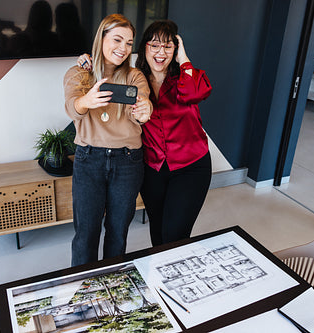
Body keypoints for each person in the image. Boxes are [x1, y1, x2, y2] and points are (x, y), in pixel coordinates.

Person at [77, 20, 212, 247]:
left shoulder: (186, 78)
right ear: (144, 48)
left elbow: (195, 93)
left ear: (175, 50)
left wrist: (184, 59)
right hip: (153, 169)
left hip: (190, 167)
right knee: (158, 234)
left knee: (174, 235)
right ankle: (161, 279)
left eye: (168, 46)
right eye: (154, 45)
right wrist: (88, 60)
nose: (161, 52)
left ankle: (176, 278)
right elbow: (105, 74)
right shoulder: (134, 79)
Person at [64, 14, 152, 266]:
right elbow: (72, 107)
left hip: (128, 162)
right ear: (101, 38)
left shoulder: (134, 77)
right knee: (86, 234)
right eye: (116, 39)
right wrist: (85, 102)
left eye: (128, 43)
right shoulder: (79, 74)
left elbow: (143, 103)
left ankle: (112, 285)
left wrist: (145, 111)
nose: (123, 48)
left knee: (117, 232)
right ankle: (83, 286)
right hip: (88, 160)